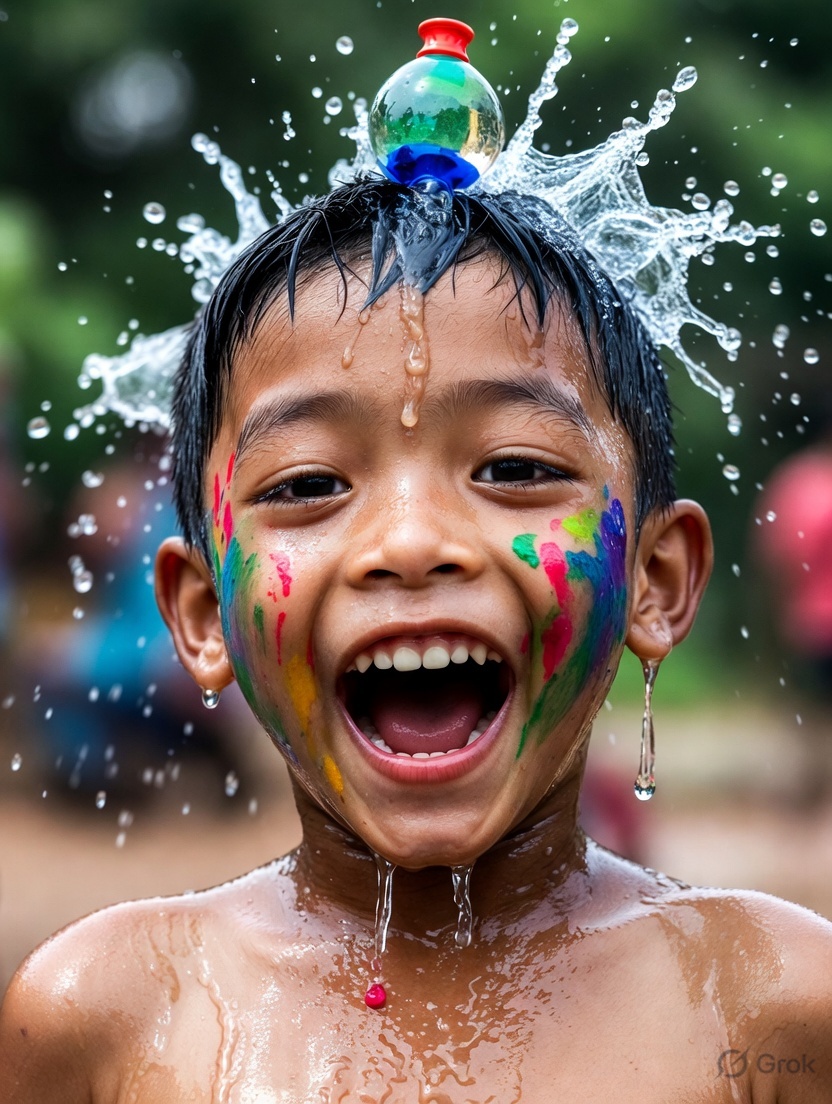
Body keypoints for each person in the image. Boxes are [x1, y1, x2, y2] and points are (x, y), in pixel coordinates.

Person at [1, 180, 830, 1102]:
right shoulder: (113, 1015)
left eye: (516, 467)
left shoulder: (768, 1002)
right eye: (307, 484)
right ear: (202, 615)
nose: (409, 543)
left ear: (654, 581)